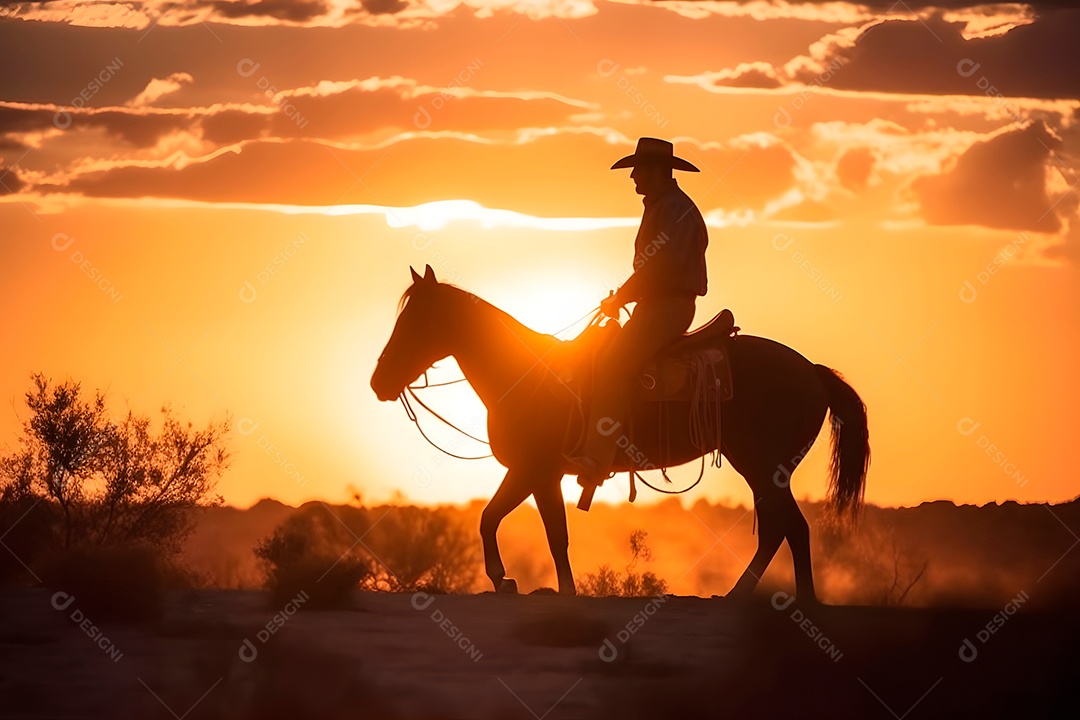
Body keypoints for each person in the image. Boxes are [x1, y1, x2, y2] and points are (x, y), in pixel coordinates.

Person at [565, 137, 709, 492]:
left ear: (656, 171)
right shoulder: (665, 205)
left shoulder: (673, 209)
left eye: (637, 170)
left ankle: (596, 459)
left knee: (613, 363)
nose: (632, 177)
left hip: (666, 308)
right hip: (656, 305)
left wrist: (623, 296)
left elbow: (660, 267)